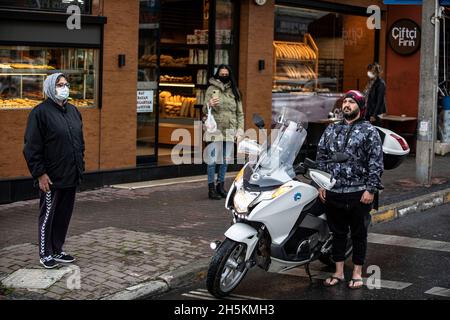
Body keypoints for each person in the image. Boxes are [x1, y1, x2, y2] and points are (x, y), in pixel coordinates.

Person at [316, 90, 383, 289]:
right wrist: (321, 183)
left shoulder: (369, 131)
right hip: (334, 190)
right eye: (345, 101)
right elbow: (321, 157)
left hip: (359, 192)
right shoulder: (331, 130)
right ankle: (338, 272)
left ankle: (356, 272)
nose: (347, 105)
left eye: (351, 102)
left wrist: (370, 189)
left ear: (360, 108)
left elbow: (376, 162)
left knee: (358, 234)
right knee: (337, 233)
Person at [23, 73, 85, 269]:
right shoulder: (39, 113)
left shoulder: (73, 111)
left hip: (71, 174)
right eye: (59, 84)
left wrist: (80, 165)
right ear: (50, 87)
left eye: (66, 84)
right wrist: (39, 173)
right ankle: (45, 253)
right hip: (50, 177)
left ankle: (57, 249)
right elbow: (31, 147)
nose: (64, 87)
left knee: (63, 215)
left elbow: (79, 142)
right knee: (48, 215)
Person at [203, 65, 244, 200]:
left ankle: (221, 186)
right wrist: (209, 104)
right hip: (215, 129)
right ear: (217, 75)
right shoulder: (211, 89)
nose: (224, 76)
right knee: (212, 160)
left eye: (226, 74)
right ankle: (211, 188)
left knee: (225, 161)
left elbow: (240, 113)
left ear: (230, 75)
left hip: (230, 129)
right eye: (222, 74)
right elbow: (204, 109)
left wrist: (240, 130)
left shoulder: (234, 91)